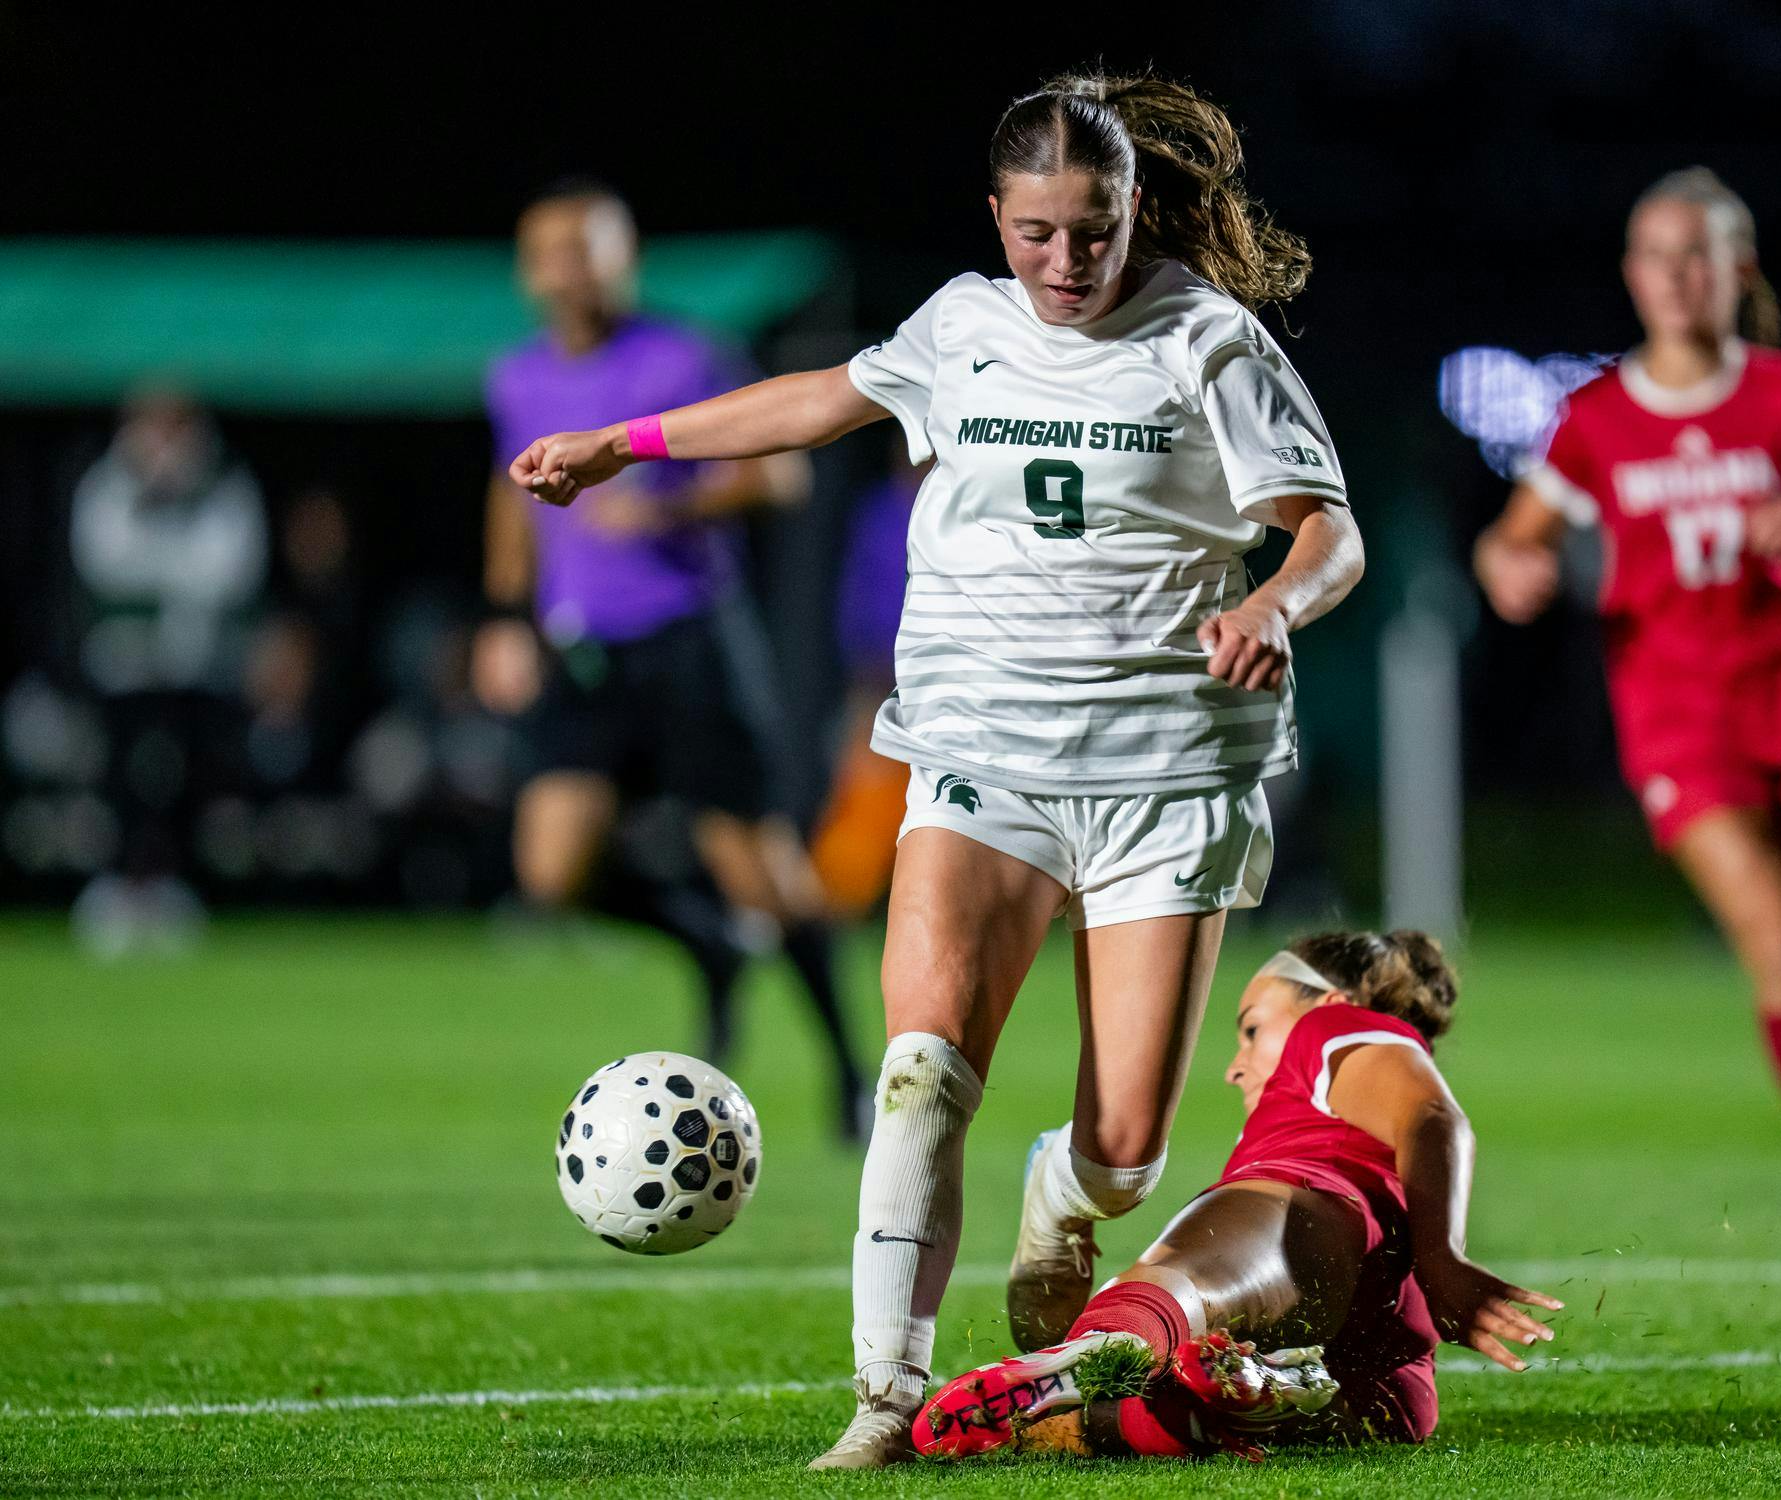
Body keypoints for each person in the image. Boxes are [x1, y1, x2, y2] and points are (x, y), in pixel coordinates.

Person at [508, 74, 1366, 1468]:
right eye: (1035, 233)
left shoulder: (1209, 341)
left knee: (1126, 1153)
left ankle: (1059, 1193)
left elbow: (1328, 532)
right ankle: (885, 1399)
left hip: (1165, 769)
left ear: (1132, 208)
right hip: (982, 751)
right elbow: (816, 402)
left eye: (1092, 231)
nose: (1065, 262)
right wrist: (624, 444)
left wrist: (1273, 605)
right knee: (921, 1069)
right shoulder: (960, 325)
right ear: (994, 216)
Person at [1472, 168, 1781, 1268]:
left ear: (1737, 269)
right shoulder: (1597, 419)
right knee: (1775, 953)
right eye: (1656, 255)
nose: (1676, 277)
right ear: (1632, 274)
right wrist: (1510, 566)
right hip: (1681, 726)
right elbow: (1512, 537)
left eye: (1697, 255)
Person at [476, 182, 869, 1131]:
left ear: (625, 260)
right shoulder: (516, 377)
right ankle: (708, 943)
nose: (567, 271)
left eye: (586, 250)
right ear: (527, 272)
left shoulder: (685, 354)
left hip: (689, 638)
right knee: (551, 873)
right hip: (584, 650)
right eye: (549, 253)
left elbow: (780, 475)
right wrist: (503, 616)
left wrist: (666, 507)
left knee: (763, 877)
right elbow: (511, 495)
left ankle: (850, 1074)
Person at [912, 929, 1561, 1460]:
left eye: (1251, 1029)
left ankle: (1116, 1342)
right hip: (1393, 1340)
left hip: (1315, 1207)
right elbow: (1427, 1126)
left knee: (1187, 1289)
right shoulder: (1368, 1088)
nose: (1234, 1065)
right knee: (1365, 1412)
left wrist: (1443, 1259)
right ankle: (1238, 1395)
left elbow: (1435, 1119)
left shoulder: (1332, 1025)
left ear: (1330, 1000)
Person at [69, 387, 268, 955]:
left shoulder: (223, 486)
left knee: (188, 779)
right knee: (121, 778)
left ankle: (173, 886)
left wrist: (168, 564)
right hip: (123, 665)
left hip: (194, 667)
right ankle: (120, 887)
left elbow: (229, 570)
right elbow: (105, 563)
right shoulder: (109, 486)